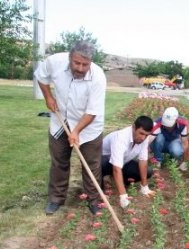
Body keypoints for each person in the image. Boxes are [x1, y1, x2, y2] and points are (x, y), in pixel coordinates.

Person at [35, 41, 106, 215]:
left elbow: (92, 112)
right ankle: (56, 199)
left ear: (91, 62)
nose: (81, 68)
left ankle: (93, 200)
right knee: (59, 161)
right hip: (61, 121)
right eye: (77, 63)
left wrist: (75, 132)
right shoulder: (54, 62)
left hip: (89, 127)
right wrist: (48, 97)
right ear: (69, 58)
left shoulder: (98, 77)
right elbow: (41, 77)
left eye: (85, 64)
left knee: (91, 164)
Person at [102, 115, 157, 208]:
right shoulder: (121, 138)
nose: (143, 138)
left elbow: (143, 161)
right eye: (141, 133)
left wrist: (144, 187)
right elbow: (116, 167)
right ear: (134, 127)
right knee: (99, 166)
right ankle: (101, 183)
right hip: (104, 161)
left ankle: (117, 180)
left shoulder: (144, 138)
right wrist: (123, 196)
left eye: (146, 135)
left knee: (148, 172)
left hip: (122, 162)